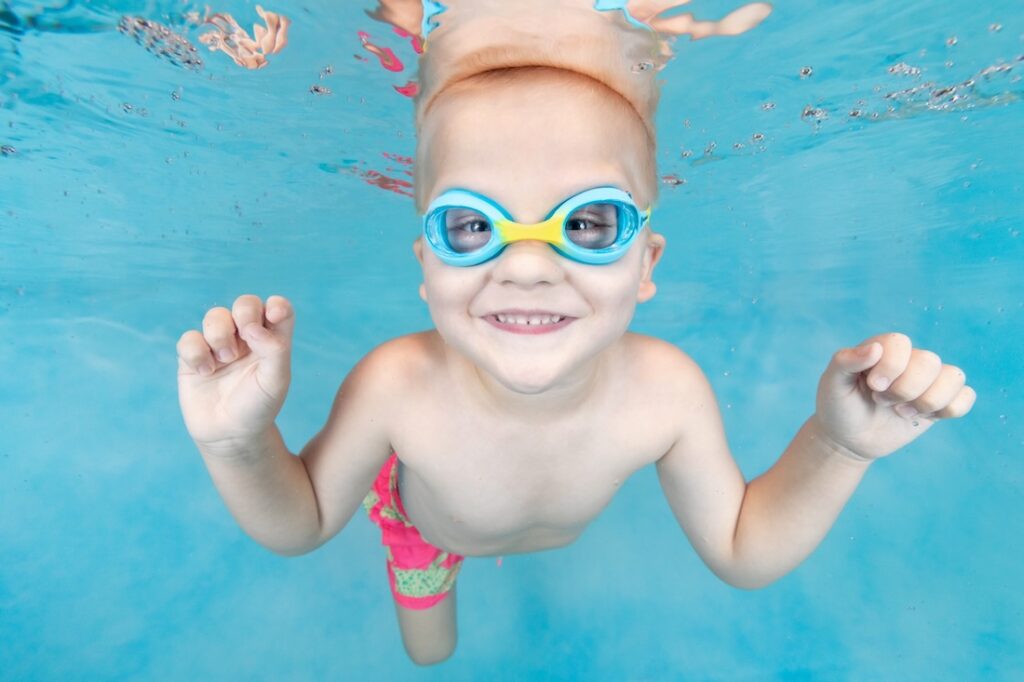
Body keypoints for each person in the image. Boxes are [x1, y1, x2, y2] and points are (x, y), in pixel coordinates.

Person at [175, 0, 976, 666]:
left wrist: (838, 447)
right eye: (470, 225)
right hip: (424, 533)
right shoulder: (396, 385)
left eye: (588, 223)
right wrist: (237, 444)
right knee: (430, 658)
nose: (527, 267)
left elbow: (743, 548)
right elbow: (304, 521)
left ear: (648, 261)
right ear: (425, 265)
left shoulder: (667, 392)